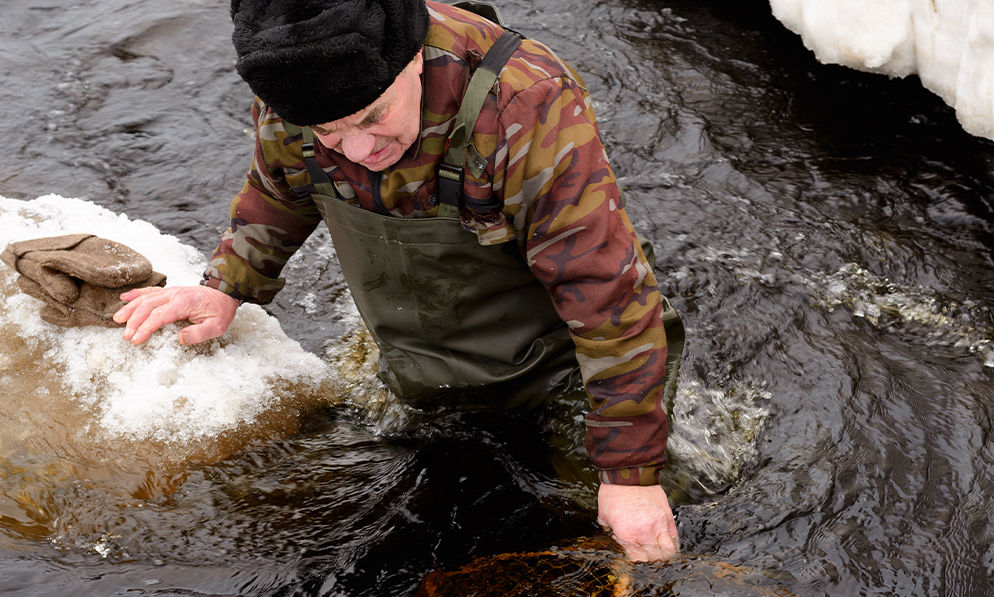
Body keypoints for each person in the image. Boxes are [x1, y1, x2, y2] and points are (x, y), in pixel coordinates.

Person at [113, 0, 685, 562]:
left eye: (373, 118)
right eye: (330, 135)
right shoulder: (294, 76)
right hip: (423, 368)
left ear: (415, 60)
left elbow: (606, 290)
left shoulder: (524, 101)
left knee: (605, 534)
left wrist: (630, 475)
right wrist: (224, 285)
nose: (361, 152)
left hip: (563, 366)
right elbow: (280, 187)